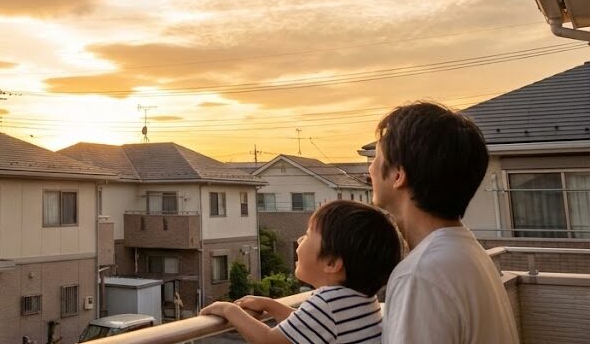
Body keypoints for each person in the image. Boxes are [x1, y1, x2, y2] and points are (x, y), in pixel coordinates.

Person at [370, 102, 520, 344]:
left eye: (376, 158)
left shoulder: (421, 275)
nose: (370, 169)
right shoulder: (465, 252)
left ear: (398, 175)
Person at [200, 200, 400, 344]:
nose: (299, 240)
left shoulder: (328, 303)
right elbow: (306, 326)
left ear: (331, 263)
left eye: (307, 235)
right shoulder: (361, 298)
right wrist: (271, 306)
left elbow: (270, 341)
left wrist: (230, 310)